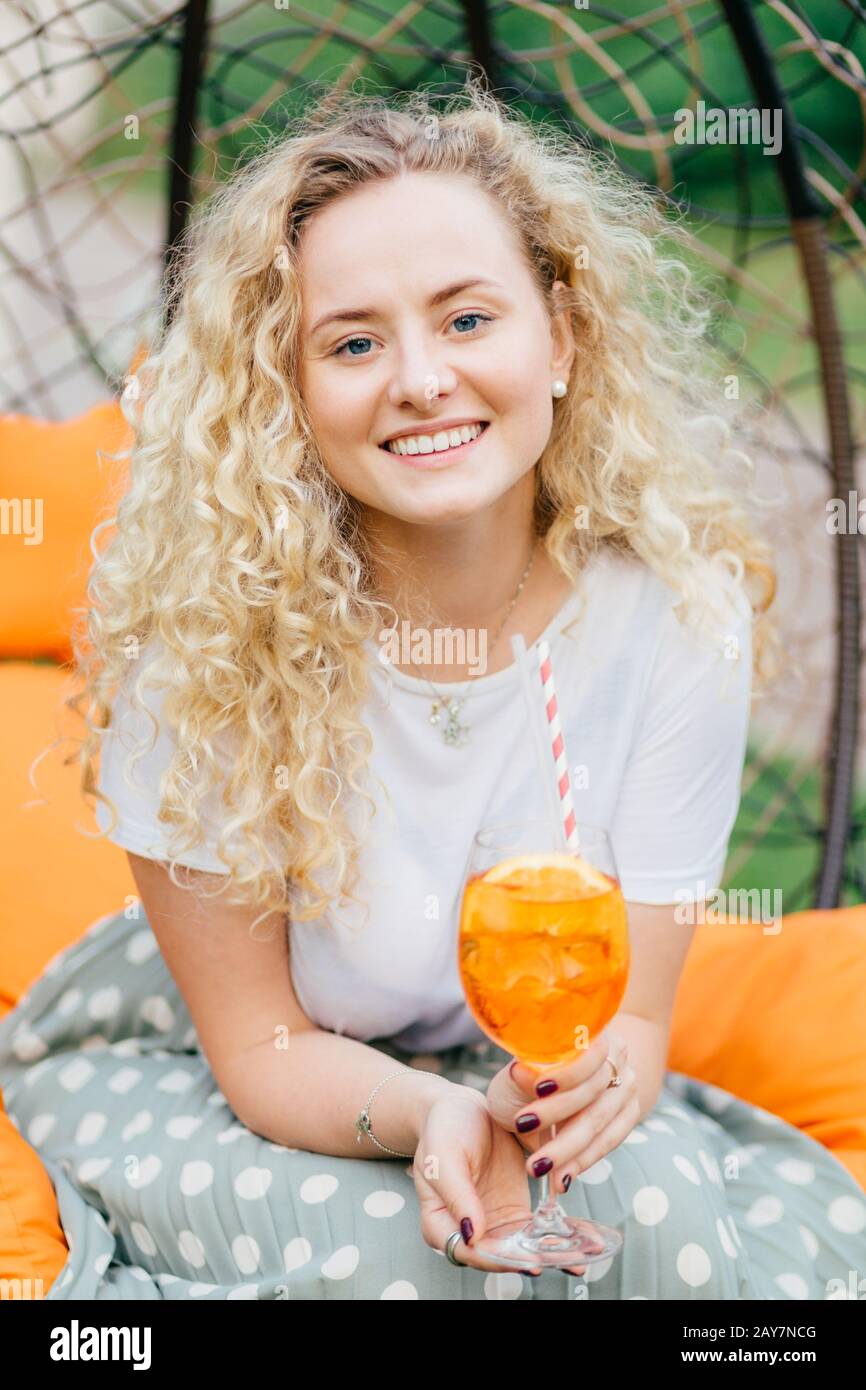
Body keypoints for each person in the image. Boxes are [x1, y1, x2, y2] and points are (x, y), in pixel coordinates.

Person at [8, 79, 863, 1302]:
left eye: (467, 320)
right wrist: (427, 1117)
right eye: (351, 342)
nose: (419, 379)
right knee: (414, 1266)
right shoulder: (204, 637)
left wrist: (556, 1099)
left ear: (558, 338)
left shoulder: (677, 617)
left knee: (656, 1230)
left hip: (503, 1051)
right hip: (239, 1058)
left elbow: (627, 1024)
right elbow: (256, 1046)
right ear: (285, 391)